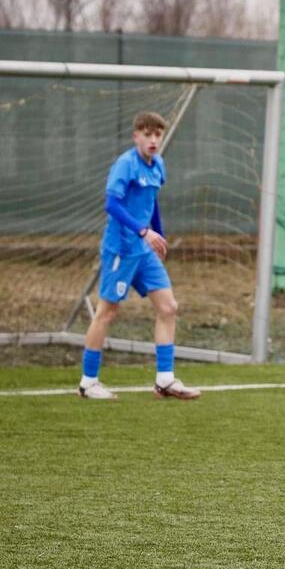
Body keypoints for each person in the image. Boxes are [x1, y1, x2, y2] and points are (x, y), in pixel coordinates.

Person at [76, 112, 199, 401]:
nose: (153, 140)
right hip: (121, 250)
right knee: (107, 312)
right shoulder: (125, 164)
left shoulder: (158, 165)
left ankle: (165, 381)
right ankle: (87, 383)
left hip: (144, 250)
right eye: (147, 134)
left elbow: (152, 202)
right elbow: (112, 204)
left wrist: (158, 236)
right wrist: (143, 231)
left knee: (168, 307)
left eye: (158, 134)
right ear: (136, 137)